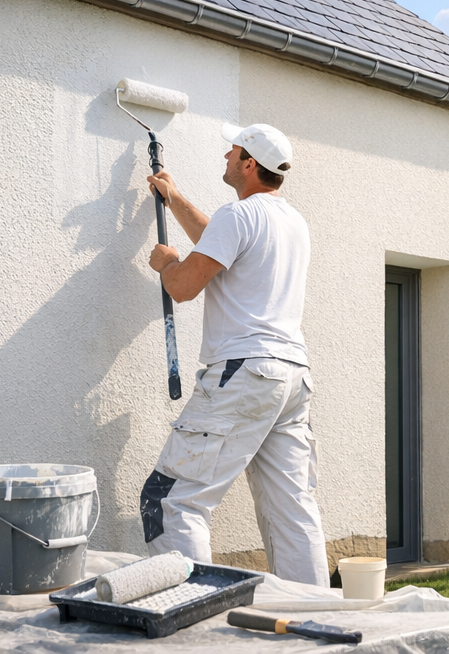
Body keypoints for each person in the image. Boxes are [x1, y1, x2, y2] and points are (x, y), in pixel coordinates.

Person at [139, 122, 329, 587]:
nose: (226, 154)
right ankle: (310, 616)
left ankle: (192, 613)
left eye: (233, 150)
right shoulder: (290, 221)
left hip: (244, 376)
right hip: (290, 379)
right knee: (292, 508)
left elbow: (184, 287)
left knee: (171, 500)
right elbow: (221, 243)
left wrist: (168, 265)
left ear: (248, 164)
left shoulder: (238, 215)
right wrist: (175, 198)